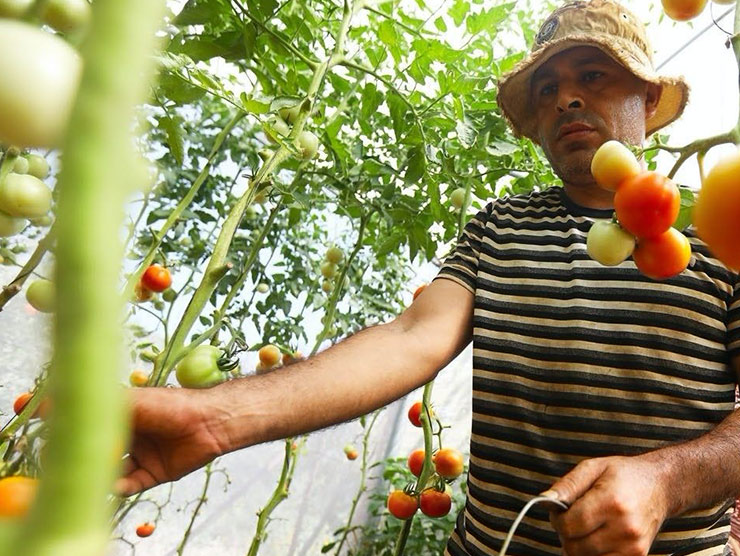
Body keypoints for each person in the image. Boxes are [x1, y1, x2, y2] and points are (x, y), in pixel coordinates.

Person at [117, 1, 740, 555]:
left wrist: (666, 480)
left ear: (649, 98)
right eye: (546, 87)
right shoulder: (501, 225)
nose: (564, 99)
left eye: (593, 76)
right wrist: (215, 419)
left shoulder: (720, 226)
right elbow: (412, 337)